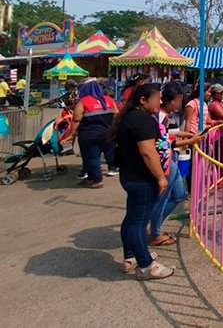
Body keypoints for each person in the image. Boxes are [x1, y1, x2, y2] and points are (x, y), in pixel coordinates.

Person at [109, 82, 174, 280]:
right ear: (143, 100)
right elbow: (148, 152)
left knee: (131, 219)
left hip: (130, 176)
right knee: (138, 222)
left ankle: (131, 257)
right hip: (142, 179)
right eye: (157, 98)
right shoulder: (142, 120)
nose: (160, 101)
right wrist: (161, 178)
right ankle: (147, 266)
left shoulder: (128, 117)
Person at [149, 83, 198, 246]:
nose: (181, 104)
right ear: (170, 101)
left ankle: (154, 226)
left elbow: (171, 134)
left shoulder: (166, 116)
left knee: (179, 194)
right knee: (163, 198)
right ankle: (155, 233)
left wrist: (190, 135)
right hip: (165, 162)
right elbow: (164, 143)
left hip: (170, 160)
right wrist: (190, 140)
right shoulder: (159, 117)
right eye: (178, 100)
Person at [62, 78, 119, 188]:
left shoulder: (83, 101)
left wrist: (71, 134)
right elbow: (116, 115)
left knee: (92, 157)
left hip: (89, 135)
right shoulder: (108, 100)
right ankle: (94, 176)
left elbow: (76, 120)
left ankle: (97, 180)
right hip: (107, 133)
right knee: (105, 154)